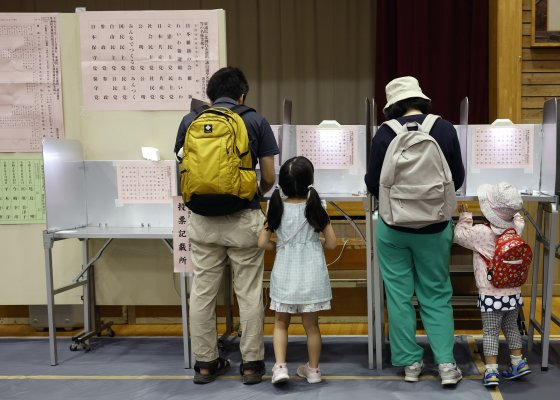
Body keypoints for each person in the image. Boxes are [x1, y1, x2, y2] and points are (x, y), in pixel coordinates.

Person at [174, 67, 278, 385]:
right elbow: (271, 177)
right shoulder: (255, 120)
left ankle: (205, 363)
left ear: (209, 95)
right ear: (242, 94)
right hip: (244, 218)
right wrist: (252, 194)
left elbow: (183, 170)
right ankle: (251, 364)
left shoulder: (190, 122)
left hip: (203, 220)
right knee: (247, 293)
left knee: (202, 292)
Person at [364, 76, 465, 385]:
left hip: (394, 227)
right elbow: (457, 178)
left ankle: (410, 364)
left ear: (392, 105)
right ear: (420, 99)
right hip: (435, 226)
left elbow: (373, 183)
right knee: (436, 294)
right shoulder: (445, 128)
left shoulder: (384, 133)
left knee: (398, 296)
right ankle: (446, 365)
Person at [258, 156, 336, 384]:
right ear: (309, 181)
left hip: (285, 271)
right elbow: (332, 243)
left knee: (281, 322)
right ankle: (313, 371)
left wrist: (280, 246)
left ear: (282, 182)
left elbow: (262, 243)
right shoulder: (317, 205)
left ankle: (280, 367)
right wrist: (313, 244)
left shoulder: (276, 205)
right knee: (312, 326)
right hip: (312, 273)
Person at [454, 182, 531, 387]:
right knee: (512, 327)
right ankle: (518, 362)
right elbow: (518, 219)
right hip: (513, 292)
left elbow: (459, 236)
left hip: (490, 294)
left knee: (490, 332)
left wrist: (465, 217)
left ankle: (491, 371)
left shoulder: (481, 232)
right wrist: (513, 217)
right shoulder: (516, 229)